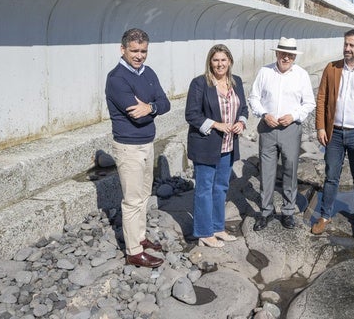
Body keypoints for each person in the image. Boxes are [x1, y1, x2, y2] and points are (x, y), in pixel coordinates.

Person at [105, 28, 171, 268]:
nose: (139, 55)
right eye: (134, 51)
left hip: (147, 144)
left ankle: (140, 238)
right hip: (129, 147)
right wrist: (151, 110)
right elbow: (137, 117)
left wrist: (150, 107)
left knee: (144, 195)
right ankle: (133, 251)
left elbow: (165, 104)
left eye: (143, 51)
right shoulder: (117, 79)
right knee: (132, 200)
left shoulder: (148, 73)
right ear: (122, 50)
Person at [311, 29, 354, 237]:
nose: (347, 48)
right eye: (345, 44)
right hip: (335, 134)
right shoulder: (332, 68)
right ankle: (325, 215)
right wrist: (321, 126)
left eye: (352, 45)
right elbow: (321, 98)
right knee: (331, 176)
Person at [249, 37, 316, 231]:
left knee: (290, 169)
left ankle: (288, 212)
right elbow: (253, 97)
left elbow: (309, 103)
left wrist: (294, 116)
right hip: (267, 128)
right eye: (282, 53)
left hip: (290, 129)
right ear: (277, 53)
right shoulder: (264, 72)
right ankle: (265, 211)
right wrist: (264, 114)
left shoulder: (302, 75)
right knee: (267, 172)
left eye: (290, 55)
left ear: (294, 56)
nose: (286, 57)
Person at [185, 44, 249, 248]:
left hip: (228, 145)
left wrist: (241, 122)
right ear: (210, 62)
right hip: (206, 145)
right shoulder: (200, 83)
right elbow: (192, 114)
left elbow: (244, 108)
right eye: (216, 60)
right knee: (204, 188)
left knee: (221, 187)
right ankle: (204, 232)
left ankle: (217, 227)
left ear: (229, 61)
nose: (220, 64)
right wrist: (216, 124)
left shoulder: (236, 81)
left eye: (223, 60)